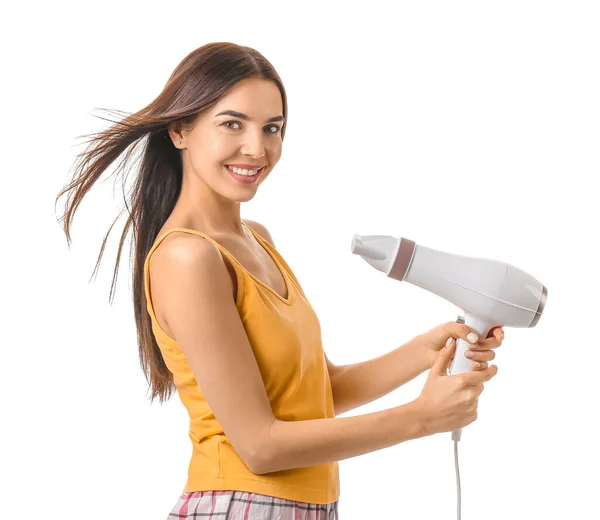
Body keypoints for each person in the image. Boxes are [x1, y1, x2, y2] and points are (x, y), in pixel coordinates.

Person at [55, 42, 503, 520]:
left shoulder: (255, 240)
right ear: (181, 129)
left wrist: (427, 349)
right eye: (232, 123)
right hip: (240, 506)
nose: (257, 147)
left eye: (273, 128)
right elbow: (259, 446)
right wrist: (420, 418)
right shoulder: (187, 257)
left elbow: (321, 390)